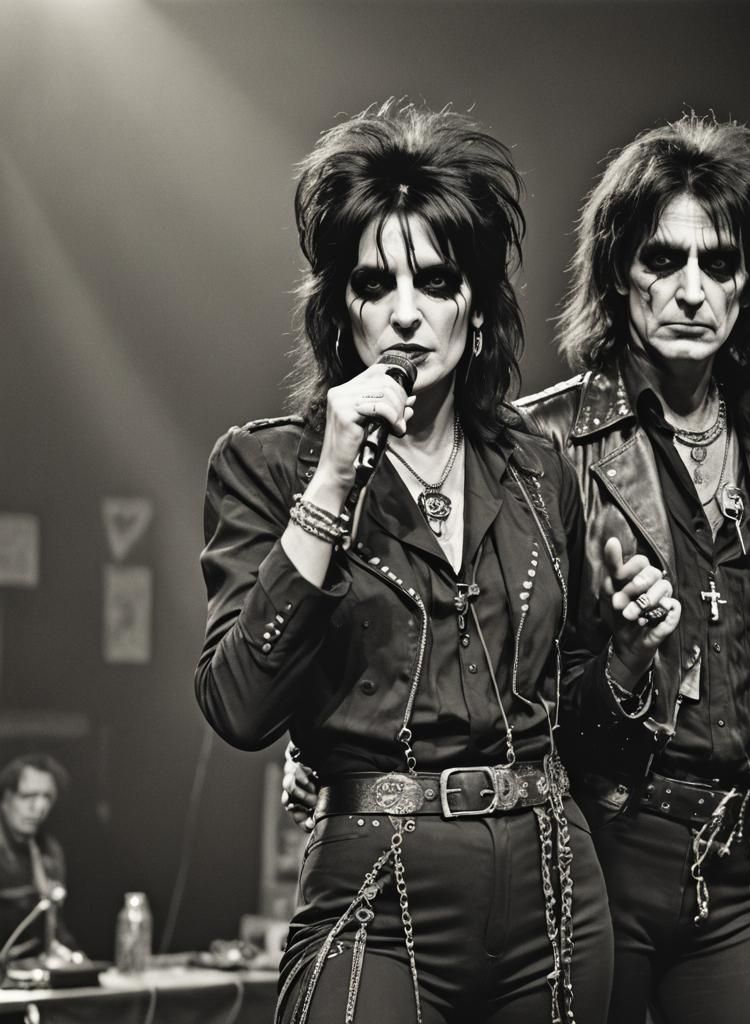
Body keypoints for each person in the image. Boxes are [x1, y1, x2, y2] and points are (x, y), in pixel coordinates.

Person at [284, 112, 750, 1023]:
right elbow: (447, 634)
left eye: (720, 264)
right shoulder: (542, 440)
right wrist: (314, 738)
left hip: (729, 873)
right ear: (617, 270)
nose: (692, 291)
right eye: (662, 261)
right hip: (586, 847)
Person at [195, 101, 681, 1024]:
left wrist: (625, 652)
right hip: (373, 884)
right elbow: (240, 706)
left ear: (478, 303)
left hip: (551, 888)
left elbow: (575, 730)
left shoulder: (539, 472)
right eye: (377, 283)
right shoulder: (266, 467)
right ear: (342, 306)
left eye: (438, 279)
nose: (408, 312)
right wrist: (333, 483)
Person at [0, 754, 78, 964]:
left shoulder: (50, 851)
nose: (39, 808)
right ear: (5, 798)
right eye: (28, 796)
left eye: (47, 797)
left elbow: (56, 927)